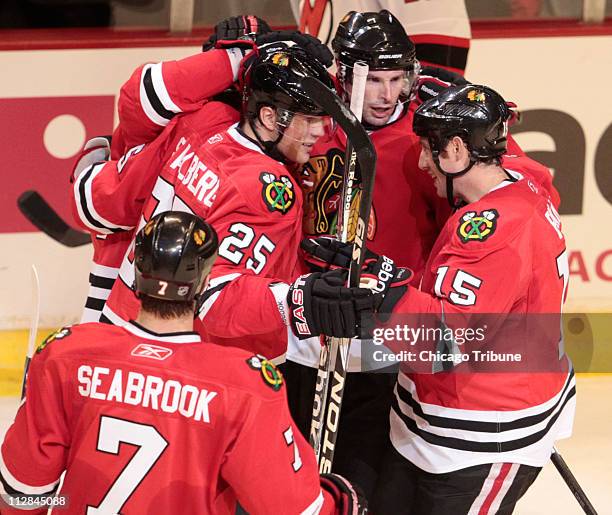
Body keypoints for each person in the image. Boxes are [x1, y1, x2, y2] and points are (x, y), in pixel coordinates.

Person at [307, 84, 575, 513]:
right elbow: (451, 297)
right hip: (438, 421)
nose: (421, 161)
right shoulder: (516, 190)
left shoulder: (494, 229)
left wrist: (375, 295)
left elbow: (443, 342)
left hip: (481, 436)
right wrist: (379, 271)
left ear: (455, 149)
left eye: (429, 149)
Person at [0, 211, 369, 515]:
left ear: (136, 271)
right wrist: (341, 501)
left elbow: (23, 494)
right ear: (205, 280)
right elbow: (293, 510)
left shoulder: (66, 355)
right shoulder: (243, 385)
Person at [70, 36, 337, 359]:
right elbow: (222, 299)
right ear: (269, 118)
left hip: (121, 317)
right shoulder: (271, 190)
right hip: (181, 355)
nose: (320, 132)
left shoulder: (202, 123)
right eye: (308, 120)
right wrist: (300, 298)